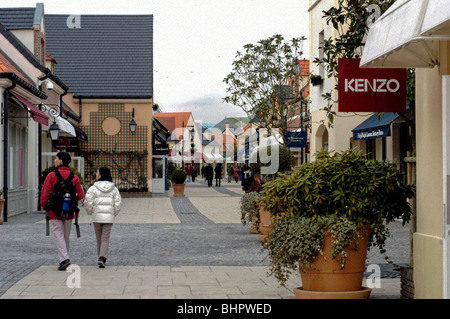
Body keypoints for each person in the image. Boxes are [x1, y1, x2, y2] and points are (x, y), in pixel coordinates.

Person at [40, 152, 85, 271]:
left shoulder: (51, 176)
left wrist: (45, 205)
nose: (54, 160)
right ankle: (64, 258)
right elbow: (81, 195)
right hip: (69, 211)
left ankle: (64, 259)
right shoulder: (74, 177)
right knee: (66, 235)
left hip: (54, 211)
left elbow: (45, 193)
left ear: (60, 161)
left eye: (56, 158)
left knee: (58, 234)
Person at [84, 167, 122, 268]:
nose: (96, 174)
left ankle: (100, 257)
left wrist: (91, 212)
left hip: (96, 217)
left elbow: (88, 202)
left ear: (100, 175)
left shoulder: (93, 188)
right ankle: (102, 257)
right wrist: (113, 214)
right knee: (105, 238)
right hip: (109, 217)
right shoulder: (114, 189)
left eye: (97, 172)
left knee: (99, 238)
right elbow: (118, 204)